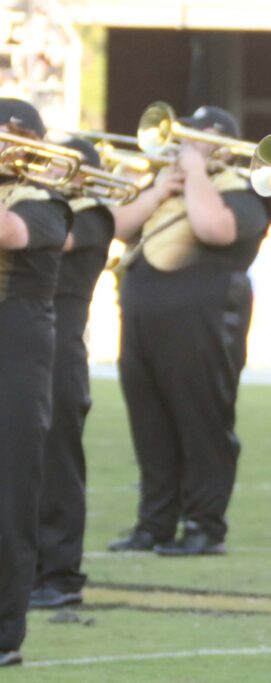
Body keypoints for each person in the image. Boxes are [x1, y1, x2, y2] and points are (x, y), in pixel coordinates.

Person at [106, 105, 270, 556]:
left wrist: (196, 170)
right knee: (150, 425)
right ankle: (153, 524)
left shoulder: (241, 192)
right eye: (189, 135)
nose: (190, 143)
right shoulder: (167, 184)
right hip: (143, 322)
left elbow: (212, 228)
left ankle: (203, 525)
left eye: (204, 136)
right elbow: (118, 227)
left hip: (203, 322)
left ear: (227, 146)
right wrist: (161, 188)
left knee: (203, 423)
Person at [0, 98, 73, 667]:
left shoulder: (46, 200)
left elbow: (10, 235)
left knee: (9, 493)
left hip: (16, 349)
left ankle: (5, 635)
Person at [30, 138, 116, 609]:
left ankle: (61, 575)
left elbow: (51, 239)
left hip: (62, 347)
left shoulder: (91, 213)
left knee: (58, 464)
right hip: (30, 339)